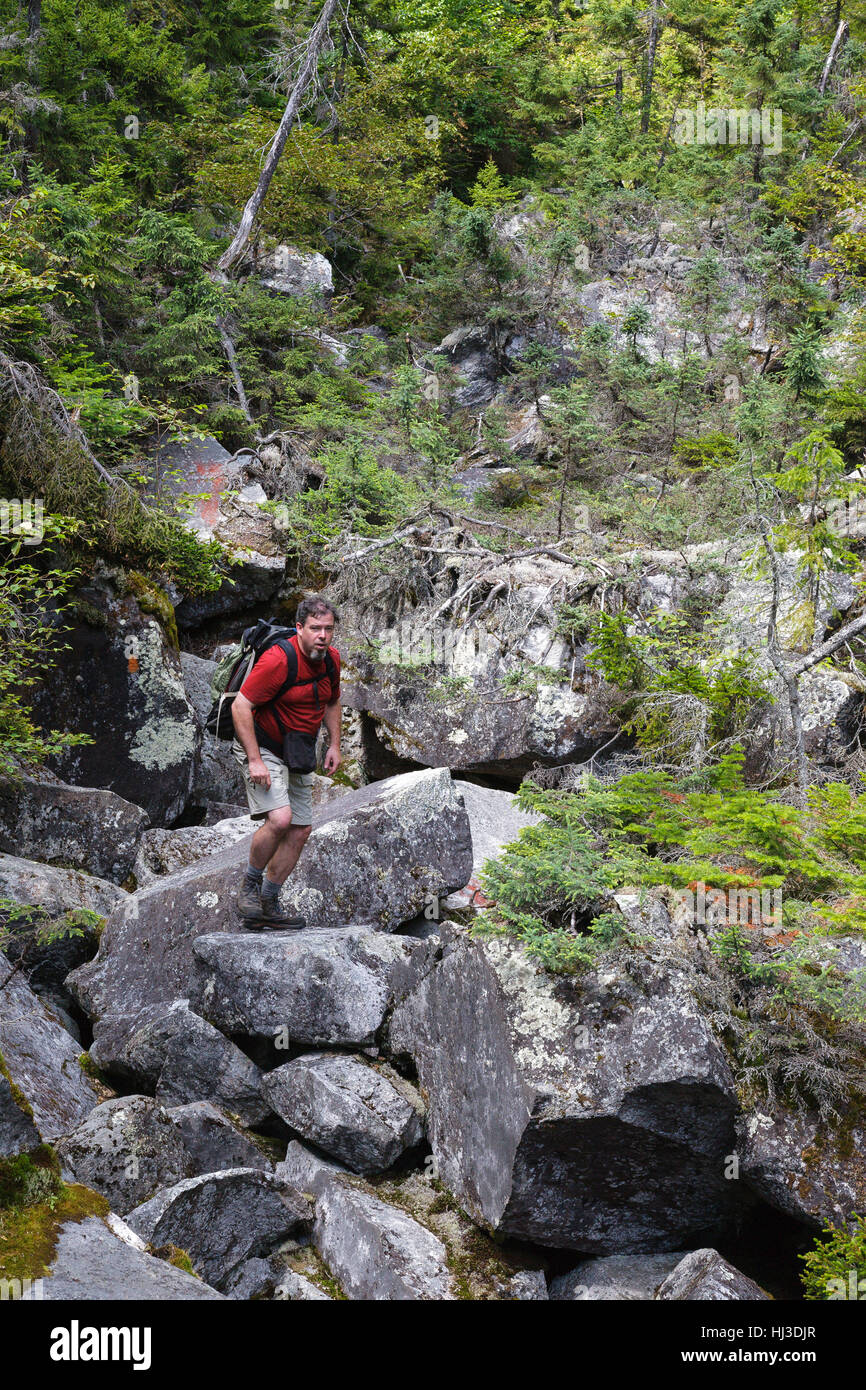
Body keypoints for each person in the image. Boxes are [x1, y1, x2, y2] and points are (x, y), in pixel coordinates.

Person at [231, 595, 342, 926]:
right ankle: (248, 889)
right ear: (299, 628)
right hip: (261, 746)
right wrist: (255, 760)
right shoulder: (279, 659)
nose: (322, 635)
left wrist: (334, 744)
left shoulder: (331, 660)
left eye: (328, 629)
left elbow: (333, 702)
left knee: (299, 829)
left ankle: (269, 904)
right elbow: (241, 706)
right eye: (315, 628)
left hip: (297, 751)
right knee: (280, 819)